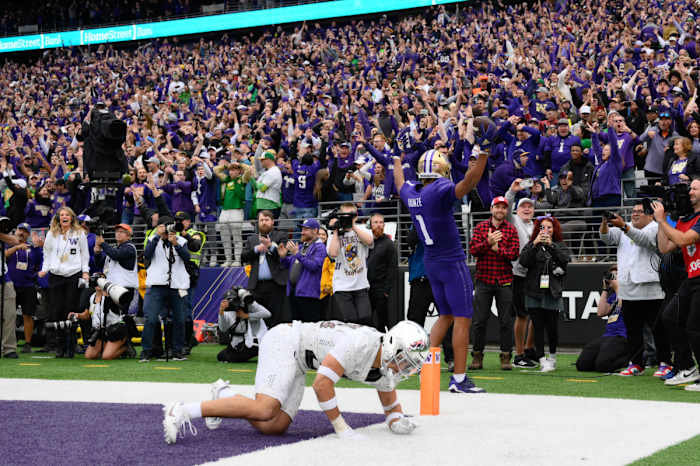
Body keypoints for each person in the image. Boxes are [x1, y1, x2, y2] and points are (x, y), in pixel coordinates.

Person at [162, 320, 429, 444]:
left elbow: (389, 398)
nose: (405, 368)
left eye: (410, 366)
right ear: (393, 345)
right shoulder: (362, 343)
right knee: (265, 409)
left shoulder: (384, 363)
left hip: (302, 360)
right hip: (287, 341)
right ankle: (183, 410)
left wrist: (396, 420)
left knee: (274, 427)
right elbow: (322, 384)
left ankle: (225, 394)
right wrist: (341, 427)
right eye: (405, 360)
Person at [394, 147, 488, 393]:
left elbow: (400, 182)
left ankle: (426, 367)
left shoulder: (413, 192)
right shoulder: (440, 189)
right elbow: (470, 182)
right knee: (462, 319)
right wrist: (484, 155)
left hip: (431, 261)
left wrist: (395, 159)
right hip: (451, 261)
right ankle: (458, 378)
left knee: (445, 317)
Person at [600, 204, 670, 376]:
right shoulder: (624, 229)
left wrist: (624, 226)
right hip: (628, 287)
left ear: (650, 215)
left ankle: (665, 362)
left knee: (658, 329)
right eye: (633, 212)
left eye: (640, 212)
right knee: (633, 329)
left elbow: (643, 240)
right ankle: (636, 363)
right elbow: (606, 237)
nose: (635, 214)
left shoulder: (655, 228)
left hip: (651, 287)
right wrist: (604, 222)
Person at [652, 179, 700, 391]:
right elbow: (664, 247)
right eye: (690, 188)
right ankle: (687, 366)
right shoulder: (685, 219)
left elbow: (683, 241)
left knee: (694, 328)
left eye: (695, 188)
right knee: (670, 316)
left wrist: (662, 222)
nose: (690, 192)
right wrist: (660, 222)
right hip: (691, 279)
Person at [468, 196, 520, 370]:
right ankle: (477, 356)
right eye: (497, 207)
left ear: (506, 211)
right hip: (483, 280)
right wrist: (488, 242)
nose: (500, 210)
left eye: (503, 208)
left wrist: (499, 250)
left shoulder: (511, 229)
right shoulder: (481, 227)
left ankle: (506, 356)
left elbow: (514, 254)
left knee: (506, 321)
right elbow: (473, 250)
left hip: (504, 280)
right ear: (491, 209)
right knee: (479, 321)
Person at [518, 215, 571, 372]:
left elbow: (565, 260)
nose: (545, 231)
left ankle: (552, 357)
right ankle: (541, 359)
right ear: (537, 230)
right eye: (542, 227)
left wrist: (551, 246)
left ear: (554, 230)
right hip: (533, 291)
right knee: (537, 326)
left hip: (552, 291)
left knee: (552, 327)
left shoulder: (559, 244)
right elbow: (523, 261)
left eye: (549, 227)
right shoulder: (531, 244)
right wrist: (534, 244)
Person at [38, 207, 90, 358]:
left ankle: (71, 346)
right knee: (56, 310)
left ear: (72, 218)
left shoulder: (79, 233)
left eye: (67, 215)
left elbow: (85, 254)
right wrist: (44, 269)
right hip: (56, 275)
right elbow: (46, 253)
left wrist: (85, 271)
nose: (64, 217)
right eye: (61, 215)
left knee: (70, 309)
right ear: (58, 218)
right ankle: (59, 346)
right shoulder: (51, 233)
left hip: (73, 274)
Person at [140, 216, 191, 362]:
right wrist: (157, 236)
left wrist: (176, 244)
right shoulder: (153, 239)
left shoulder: (181, 241)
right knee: (150, 318)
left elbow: (187, 258)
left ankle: (177, 351)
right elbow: (147, 256)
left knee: (180, 319)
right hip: (157, 284)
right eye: (163, 226)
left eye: (168, 226)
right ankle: (146, 351)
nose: (167, 229)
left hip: (178, 284)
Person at [504, 182, 538, 368]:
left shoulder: (537, 226)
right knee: (522, 314)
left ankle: (529, 348)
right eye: (523, 206)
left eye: (530, 206)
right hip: (517, 273)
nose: (527, 209)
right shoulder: (513, 221)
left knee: (535, 313)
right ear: (517, 210)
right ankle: (518, 354)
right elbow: (507, 206)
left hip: (534, 275)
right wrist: (512, 191)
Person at [326, 203, 374, 326]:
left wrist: (352, 225)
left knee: (365, 317)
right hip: (342, 285)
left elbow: (369, 241)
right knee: (350, 320)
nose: (347, 218)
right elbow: (333, 253)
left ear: (356, 216)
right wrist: (336, 230)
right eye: (344, 216)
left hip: (360, 284)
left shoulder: (362, 229)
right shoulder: (334, 234)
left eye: (350, 215)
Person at [241, 210, 289, 327]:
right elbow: (243, 257)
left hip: (275, 285)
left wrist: (271, 246)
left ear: (272, 222)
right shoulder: (251, 239)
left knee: (276, 319)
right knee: (259, 319)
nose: (264, 223)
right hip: (256, 286)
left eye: (266, 220)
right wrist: (256, 250)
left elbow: (283, 256)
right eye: (261, 220)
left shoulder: (280, 235)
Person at [576, 265, 629, 373]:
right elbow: (601, 312)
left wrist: (618, 288)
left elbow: (625, 307)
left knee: (603, 366)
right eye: (612, 276)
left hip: (622, 337)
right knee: (582, 365)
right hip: (608, 336)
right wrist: (605, 289)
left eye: (616, 276)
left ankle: (631, 359)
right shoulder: (613, 296)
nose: (613, 279)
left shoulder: (630, 293)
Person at [68, 281, 133, 360]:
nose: (98, 283)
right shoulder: (92, 297)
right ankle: (109, 347)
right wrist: (77, 315)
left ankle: (125, 347)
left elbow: (122, 304)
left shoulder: (113, 295)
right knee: (90, 356)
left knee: (106, 357)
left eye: (100, 280)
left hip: (115, 329)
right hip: (100, 331)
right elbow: (87, 314)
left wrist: (107, 294)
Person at [6, 223, 41, 353]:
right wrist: (16, 247)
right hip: (10, 284)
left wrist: (34, 276)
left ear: (28, 234)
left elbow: (39, 263)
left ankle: (27, 343)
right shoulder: (8, 243)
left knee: (28, 315)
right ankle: (9, 342)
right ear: (16, 231)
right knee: (8, 315)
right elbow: (3, 255)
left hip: (28, 286)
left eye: (25, 231)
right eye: (20, 230)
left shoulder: (33, 248)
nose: (22, 233)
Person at [282, 219, 326, 322]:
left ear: (315, 230)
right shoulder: (302, 247)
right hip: (295, 293)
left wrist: (297, 254)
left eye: (306, 229)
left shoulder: (320, 247)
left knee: (309, 328)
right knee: (296, 328)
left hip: (309, 295)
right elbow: (288, 264)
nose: (302, 232)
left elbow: (314, 266)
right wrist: (283, 256)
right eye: (302, 229)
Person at [215, 287, 270, 363]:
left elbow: (267, 314)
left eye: (234, 300)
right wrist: (221, 313)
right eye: (230, 300)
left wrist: (247, 316)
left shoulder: (249, 304)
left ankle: (261, 350)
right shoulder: (228, 310)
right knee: (221, 356)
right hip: (239, 342)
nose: (233, 303)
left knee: (230, 358)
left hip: (254, 341)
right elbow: (223, 329)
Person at [213, 160, 251, 267]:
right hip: (224, 211)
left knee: (236, 237)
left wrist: (240, 164)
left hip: (237, 210)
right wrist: (226, 166)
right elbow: (215, 170)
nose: (231, 172)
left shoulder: (242, 179)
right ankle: (228, 259)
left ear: (239, 171)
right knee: (224, 237)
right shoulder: (227, 179)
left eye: (234, 170)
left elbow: (248, 170)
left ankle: (238, 260)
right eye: (230, 170)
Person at [94, 223, 138, 312]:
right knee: (110, 316)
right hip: (112, 288)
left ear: (128, 236)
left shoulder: (130, 248)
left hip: (124, 288)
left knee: (119, 318)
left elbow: (116, 255)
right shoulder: (114, 248)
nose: (118, 233)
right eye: (117, 231)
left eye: (122, 232)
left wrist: (102, 243)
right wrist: (97, 252)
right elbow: (100, 264)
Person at [367, 213, 398, 332]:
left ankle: (384, 348)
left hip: (380, 289)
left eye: (381, 222)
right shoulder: (365, 241)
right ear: (370, 225)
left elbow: (392, 267)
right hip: (364, 288)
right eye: (375, 222)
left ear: (384, 225)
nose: (378, 225)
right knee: (365, 320)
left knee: (382, 321)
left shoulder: (389, 244)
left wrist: (386, 291)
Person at [253, 150, 283, 218]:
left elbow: (262, 188)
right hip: (265, 204)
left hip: (269, 205)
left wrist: (254, 178)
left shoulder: (273, 171)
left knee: (267, 227)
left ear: (268, 160)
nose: (261, 162)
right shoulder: (269, 171)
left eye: (262, 160)